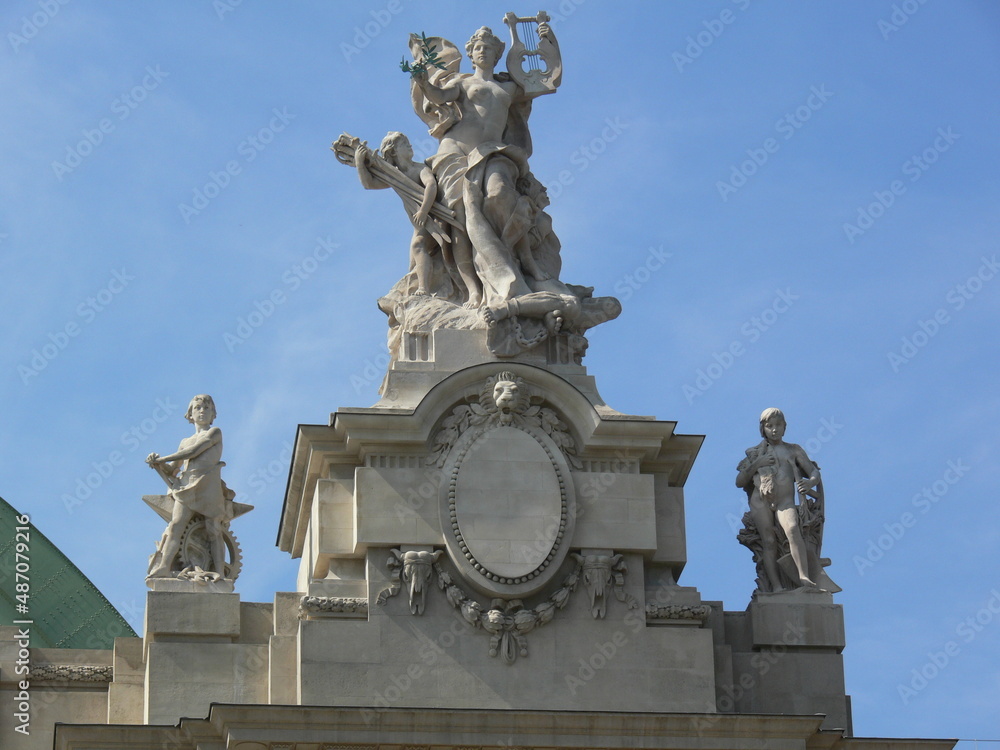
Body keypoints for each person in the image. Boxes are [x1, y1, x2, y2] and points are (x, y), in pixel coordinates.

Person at [410, 24, 560, 307]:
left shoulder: (509, 87)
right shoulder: (463, 83)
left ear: (498, 53)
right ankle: (472, 289)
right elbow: (439, 96)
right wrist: (423, 82)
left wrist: (547, 40)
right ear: (471, 54)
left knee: (501, 193)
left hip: (492, 152)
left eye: (488, 48)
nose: (483, 52)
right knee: (459, 217)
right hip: (455, 152)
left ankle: (510, 262)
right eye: (478, 48)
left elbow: (550, 79)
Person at [146, 394, 230, 579]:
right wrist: (157, 463)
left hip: (208, 484)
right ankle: (164, 566)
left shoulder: (215, 432)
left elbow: (194, 451)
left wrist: (164, 458)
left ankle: (219, 572)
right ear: (190, 414)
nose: (202, 411)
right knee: (176, 525)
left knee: (213, 528)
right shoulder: (184, 441)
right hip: (187, 486)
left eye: (207, 408)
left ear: (213, 413)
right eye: (198, 408)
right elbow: (173, 469)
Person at [736, 408, 820, 591]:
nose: (774, 429)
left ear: (784, 427)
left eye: (778, 425)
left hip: (785, 501)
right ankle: (776, 586)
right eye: (769, 426)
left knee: (792, 529)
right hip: (761, 501)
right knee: (768, 541)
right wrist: (758, 464)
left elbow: (813, 471)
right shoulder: (755, 453)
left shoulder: (793, 449)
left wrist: (810, 482)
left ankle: (803, 576)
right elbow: (740, 481)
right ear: (763, 429)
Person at [355, 131, 443, 297]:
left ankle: (424, 290)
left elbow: (431, 185)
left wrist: (424, 210)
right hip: (419, 225)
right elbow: (369, 184)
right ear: (393, 152)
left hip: (432, 220)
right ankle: (424, 289)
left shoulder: (419, 169)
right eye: (404, 144)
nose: (410, 145)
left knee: (418, 245)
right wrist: (360, 163)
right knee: (412, 267)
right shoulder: (394, 176)